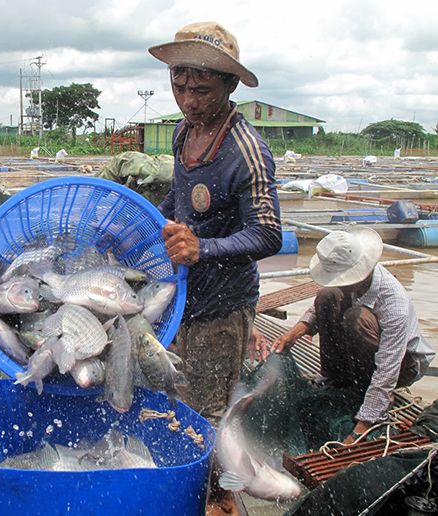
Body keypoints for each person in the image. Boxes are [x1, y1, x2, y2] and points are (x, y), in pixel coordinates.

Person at [148, 21, 282, 513]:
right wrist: (154, 220)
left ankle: (217, 499)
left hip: (223, 305)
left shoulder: (245, 150)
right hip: (184, 294)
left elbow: (268, 233)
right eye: (179, 86)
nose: (187, 100)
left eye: (201, 90)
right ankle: (188, 482)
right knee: (177, 394)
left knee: (208, 411)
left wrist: (202, 249)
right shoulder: (184, 131)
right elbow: (181, 198)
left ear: (228, 86)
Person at [271, 227, 435, 444]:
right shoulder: (350, 286)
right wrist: (295, 332)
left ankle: (367, 395)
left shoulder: (394, 303)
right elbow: (315, 310)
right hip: (370, 355)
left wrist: (362, 426)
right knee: (326, 295)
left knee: (356, 318)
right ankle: (336, 379)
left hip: (403, 364)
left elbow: (388, 368)